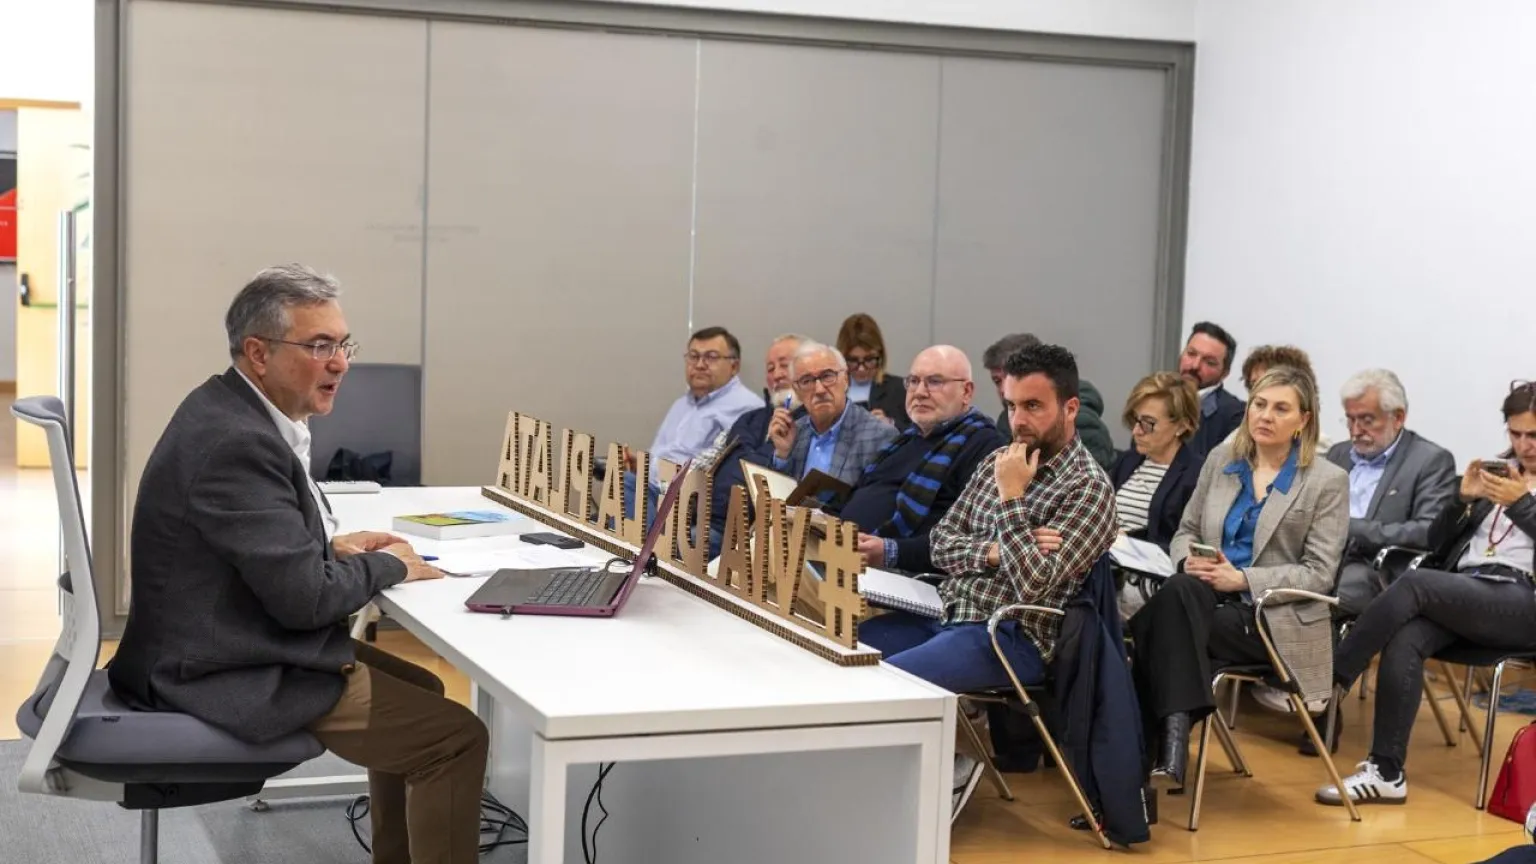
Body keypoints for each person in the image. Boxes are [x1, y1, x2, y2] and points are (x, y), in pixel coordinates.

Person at [106, 265, 487, 863]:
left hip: (223, 638)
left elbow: (243, 545)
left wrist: (329, 550)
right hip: (218, 668)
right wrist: (392, 566)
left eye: (343, 345)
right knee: (454, 739)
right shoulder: (238, 441)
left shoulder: (228, 407)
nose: (340, 364)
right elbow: (307, 601)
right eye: (319, 346)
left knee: (424, 687)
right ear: (258, 353)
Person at [858, 343, 1118, 817]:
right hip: (946, 610)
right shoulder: (998, 460)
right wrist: (997, 551)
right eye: (1012, 406)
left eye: (1033, 406)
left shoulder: (1089, 488)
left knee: (890, 686)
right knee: (843, 659)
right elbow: (941, 545)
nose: (1018, 420)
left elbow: (1034, 584)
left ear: (1070, 408)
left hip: (1009, 633)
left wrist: (1012, 498)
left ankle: (911, 797)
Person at [1129, 366, 1349, 790]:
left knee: (1158, 625)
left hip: (1269, 617)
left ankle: (1151, 761)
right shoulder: (1222, 460)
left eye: (1281, 408)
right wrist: (1186, 562)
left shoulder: (1326, 481)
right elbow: (1186, 531)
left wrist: (1243, 579)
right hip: (1202, 600)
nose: (1265, 415)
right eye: (1259, 404)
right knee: (1180, 596)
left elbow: (1320, 573)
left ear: (1303, 419)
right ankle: (1168, 747)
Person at [1319, 380, 1536, 807]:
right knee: (1407, 635)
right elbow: (1436, 543)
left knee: (1415, 584)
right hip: (1469, 590)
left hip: (1522, 599)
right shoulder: (1499, 474)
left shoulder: (1515, 492)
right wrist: (1461, 500)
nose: (1523, 445)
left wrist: (1521, 504)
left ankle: (1331, 679)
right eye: (1515, 433)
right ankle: (1386, 772)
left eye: (1533, 435)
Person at [1252, 369, 1456, 732]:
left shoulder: (1430, 460)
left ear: (1398, 417)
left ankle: (1313, 696)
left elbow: (1428, 532)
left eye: (1367, 420)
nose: (1356, 429)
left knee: (1317, 596)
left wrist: (1349, 527)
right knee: (1260, 577)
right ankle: (1285, 680)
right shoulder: (1340, 453)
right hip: (1322, 554)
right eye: (1350, 419)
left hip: (1378, 568)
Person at [834, 345, 1004, 573]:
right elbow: (860, 494)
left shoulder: (983, 444)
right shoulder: (904, 439)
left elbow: (970, 539)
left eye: (935, 382)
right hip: (848, 558)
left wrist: (891, 552)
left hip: (908, 577)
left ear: (966, 392)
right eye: (913, 381)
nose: (920, 392)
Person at [627, 326, 762, 520]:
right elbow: (663, 454)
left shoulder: (749, 409)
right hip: (652, 489)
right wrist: (640, 464)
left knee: (624, 486)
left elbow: (715, 472)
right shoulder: (681, 404)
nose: (699, 365)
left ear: (734, 366)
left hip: (688, 506)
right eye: (693, 356)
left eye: (711, 357)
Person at [697, 333, 809, 557]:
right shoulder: (750, 418)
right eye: (770, 368)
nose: (776, 374)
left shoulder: (812, 424)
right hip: (702, 515)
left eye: (784, 365)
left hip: (743, 537)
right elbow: (724, 465)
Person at [1109, 372, 1203, 618]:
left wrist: (1127, 543)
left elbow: (1185, 543)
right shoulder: (1128, 462)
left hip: (1151, 583)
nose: (1136, 431)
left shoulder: (1196, 474)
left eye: (1148, 423)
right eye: (1135, 420)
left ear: (1181, 426)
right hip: (1110, 570)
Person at [765, 341, 897, 485]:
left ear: (845, 380)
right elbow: (777, 495)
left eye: (827, 376)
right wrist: (782, 455)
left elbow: (877, 497)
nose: (819, 390)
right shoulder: (793, 433)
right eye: (807, 381)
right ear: (797, 391)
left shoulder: (879, 435)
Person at [981, 332, 1116, 469]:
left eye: (1032, 405)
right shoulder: (1005, 420)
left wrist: (1011, 484)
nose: (1005, 389)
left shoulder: (1083, 424)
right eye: (997, 381)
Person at [1178, 321, 1244, 458]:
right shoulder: (1157, 397)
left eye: (1209, 362)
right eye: (1191, 354)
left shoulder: (1235, 415)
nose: (1195, 365)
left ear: (1225, 373)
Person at [836, 312, 909, 429]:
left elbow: (918, 432)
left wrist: (890, 423)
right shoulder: (830, 390)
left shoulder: (900, 390)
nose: (861, 368)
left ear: (880, 355)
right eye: (853, 360)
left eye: (869, 359)